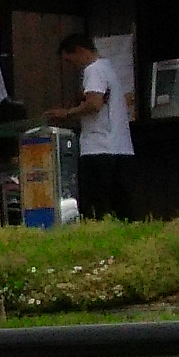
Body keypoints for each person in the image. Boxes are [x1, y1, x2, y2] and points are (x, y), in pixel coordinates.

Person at [48, 30, 135, 217]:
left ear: (80, 51)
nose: (73, 66)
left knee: (96, 207)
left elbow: (94, 103)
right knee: (121, 206)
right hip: (120, 146)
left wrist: (66, 113)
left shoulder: (93, 70)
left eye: (70, 60)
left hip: (98, 146)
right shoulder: (108, 68)